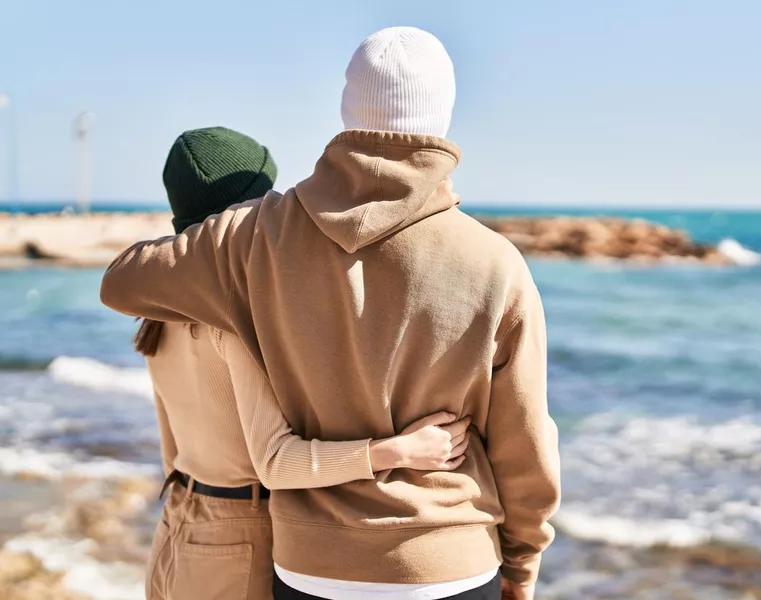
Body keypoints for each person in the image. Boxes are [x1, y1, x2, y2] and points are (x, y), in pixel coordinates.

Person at [101, 26, 561, 600]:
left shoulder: (253, 238)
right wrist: (521, 566)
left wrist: (228, 230)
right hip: (450, 559)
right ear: (442, 116)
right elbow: (526, 445)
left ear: (347, 111)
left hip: (308, 562)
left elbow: (121, 283)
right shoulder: (496, 262)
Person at [138, 126, 472, 600]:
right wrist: (398, 451)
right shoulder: (230, 319)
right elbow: (274, 461)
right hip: (240, 543)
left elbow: (172, 453)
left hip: (177, 529)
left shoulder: (159, 309)